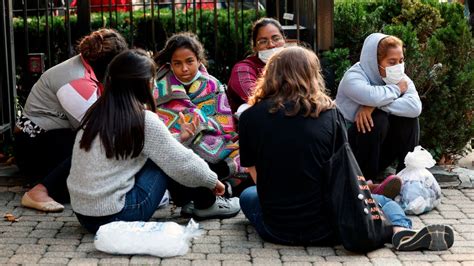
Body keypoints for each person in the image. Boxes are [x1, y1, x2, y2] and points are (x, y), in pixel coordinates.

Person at [238, 46, 453, 250]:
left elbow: (255, 173)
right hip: (328, 227)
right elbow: (341, 171)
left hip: (277, 228)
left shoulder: (249, 117)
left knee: (248, 195)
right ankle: (400, 230)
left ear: (270, 74)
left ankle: (377, 199)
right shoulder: (330, 115)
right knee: (385, 202)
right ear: (312, 75)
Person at [67, 49, 240, 233]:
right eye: (153, 79)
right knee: (167, 161)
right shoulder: (143, 119)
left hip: (85, 216)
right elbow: (180, 161)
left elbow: (148, 145)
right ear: (143, 83)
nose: (155, 85)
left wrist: (180, 138)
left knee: (164, 154)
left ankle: (192, 202)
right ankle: (207, 204)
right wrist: (212, 181)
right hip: (118, 215)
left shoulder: (97, 114)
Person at [16, 28, 128, 212]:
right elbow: (96, 128)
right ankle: (39, 191)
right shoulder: (76, 82)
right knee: (94, 146)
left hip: (49, 138)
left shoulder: (84, 67)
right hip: (33, 149)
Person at [153, 32, 251, 206]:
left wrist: (201, 123)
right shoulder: (160, 88)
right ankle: (209, 189)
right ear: (170, 64)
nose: (184, 68)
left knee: (243, 155)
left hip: (215, 144)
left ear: (199, 60)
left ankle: (213, 187)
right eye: (177, 63)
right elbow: (161, 129)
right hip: (180, 149)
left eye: (189, 61)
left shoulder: (212, 84)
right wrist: (187, 133)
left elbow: (225, 124)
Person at [335, 33, 422, 182]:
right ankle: (366, 182)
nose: (398, 67)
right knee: (377, 120)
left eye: (401, 61)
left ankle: (405, 178)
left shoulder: (400, 78)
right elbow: (371, 96)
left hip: (379, 151)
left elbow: (414, 107)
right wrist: (395, 90)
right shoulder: (353, 77)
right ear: (374, 61)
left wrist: (373, 106)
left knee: (409, 120)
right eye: (392, 62)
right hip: (349, 150)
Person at [227, 17, 285, 115]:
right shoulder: (243, 68)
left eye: (276, 38)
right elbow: (253, 96)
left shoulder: (293, 64)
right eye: (263, 41)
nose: (271, 45)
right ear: (255, 47)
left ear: (284, 40)